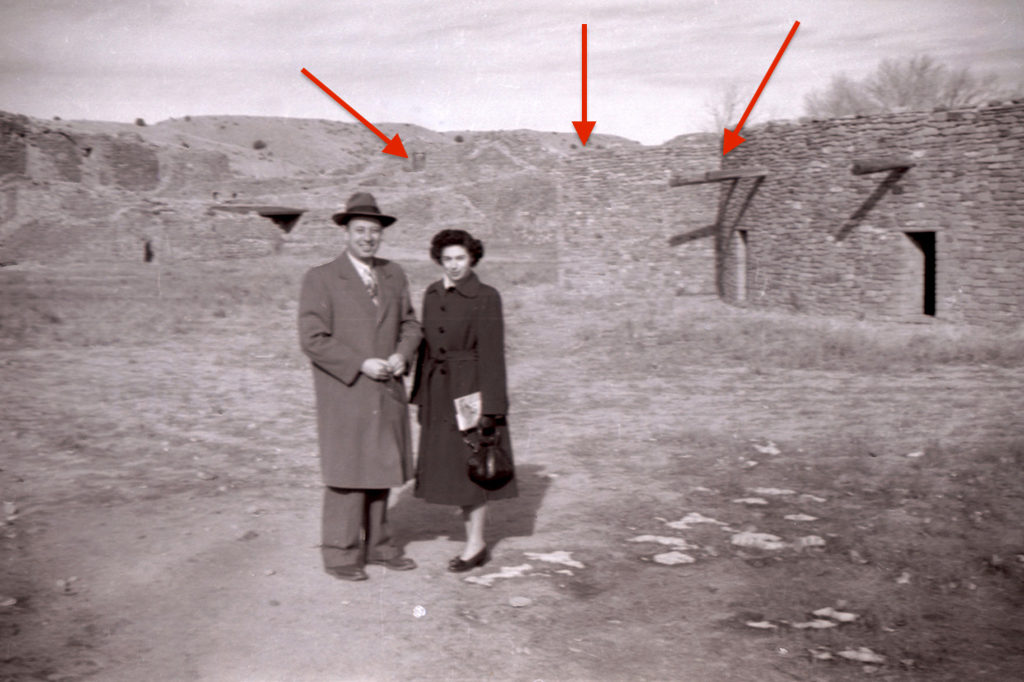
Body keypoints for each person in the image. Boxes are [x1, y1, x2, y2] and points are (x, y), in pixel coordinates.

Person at [298, 192, 422, 582]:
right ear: (346, 233)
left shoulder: (394, 274)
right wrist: (359, 364)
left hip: (386, 389)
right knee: (347, 472)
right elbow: (313, 339)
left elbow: (410, 324)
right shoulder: (321, 278)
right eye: (360, 230)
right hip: (346, 390)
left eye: (374, 231)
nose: (368, 238)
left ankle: (380, 547)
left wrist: (402, 354)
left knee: (381, 467)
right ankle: (341, 553)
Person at [411, 229, 517, 572]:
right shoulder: (431, 293)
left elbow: (492, 355)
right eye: (447, 259)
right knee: (452, 465)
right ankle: (472, 538)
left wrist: (492, 409)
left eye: (460, 258)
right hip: (438, 390)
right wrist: (421, 397)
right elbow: (426, 350)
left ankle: (476, 543)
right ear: (438, 260)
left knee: (474, 462)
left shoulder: (487, 296)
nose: (454, 265)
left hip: (470, 390)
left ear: (472, 258)